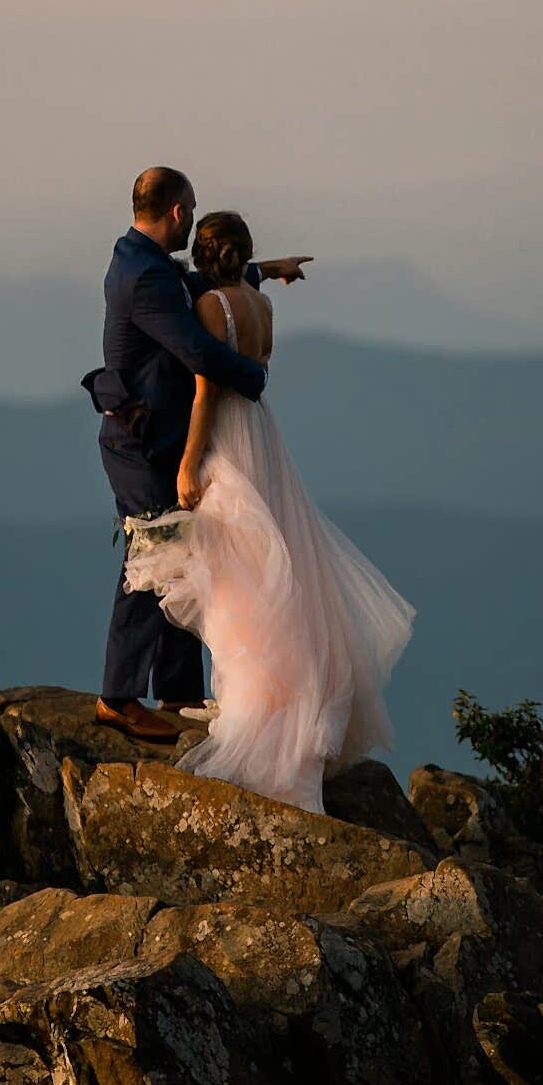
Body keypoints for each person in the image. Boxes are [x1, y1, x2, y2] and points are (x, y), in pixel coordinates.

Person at [120, 209, 417, 813]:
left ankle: (255, 712)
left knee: (237, 579)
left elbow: (207, 389)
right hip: (265, 437)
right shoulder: (262, 306)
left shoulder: (209, 308)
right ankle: (281, 699)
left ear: (201, 257)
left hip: (227, 438)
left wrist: (189, 463)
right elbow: (259, 367)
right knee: (276, 559)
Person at [82, 167, 314, 744]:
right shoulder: (148, 277)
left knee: (183, 552)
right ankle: (118, 697)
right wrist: (253, 379)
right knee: (152, 555)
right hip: (142, 441)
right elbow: (196, 347)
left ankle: (179, 690)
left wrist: (264, 269)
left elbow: (196, 285)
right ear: (179, 212)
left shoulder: (140, 259)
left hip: (156, 434)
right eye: (193, 206)